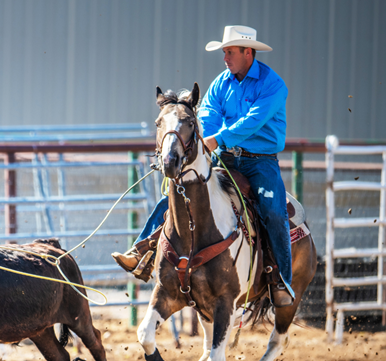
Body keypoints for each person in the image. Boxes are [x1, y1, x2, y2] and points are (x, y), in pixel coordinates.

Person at [112, 25, 294, 307]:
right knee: (180, 191)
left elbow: (253, 121)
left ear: (248, 52)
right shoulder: (222, 82)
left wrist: (215, 139)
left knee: (272, 210)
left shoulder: (272, 85)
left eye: (229, 52)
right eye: (224, 52)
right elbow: (207, 112)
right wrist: (199, 140)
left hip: (260, 163)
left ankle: (281, 279)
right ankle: (142, 249)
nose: (225, 57)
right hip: (225, 157)